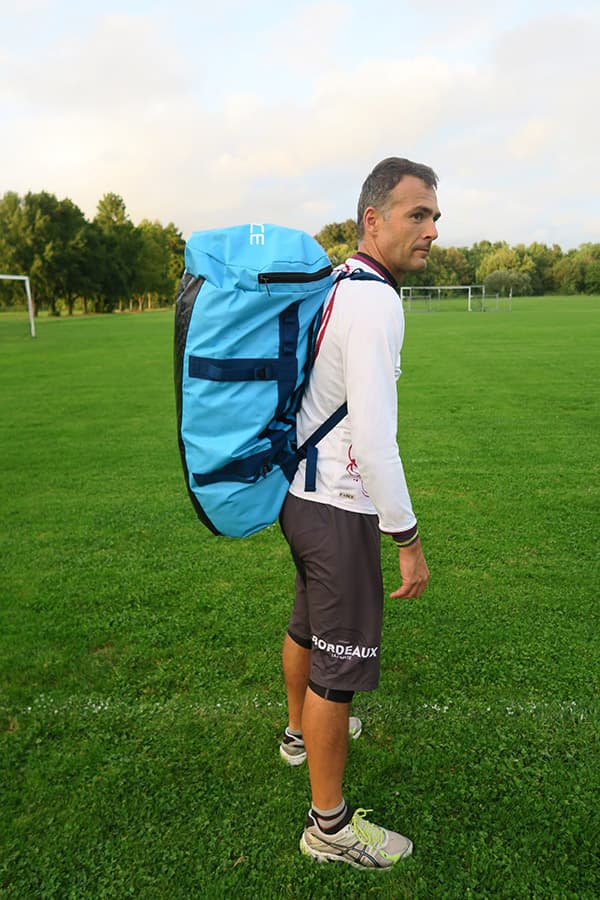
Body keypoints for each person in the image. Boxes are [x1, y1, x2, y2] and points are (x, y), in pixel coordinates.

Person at [278, 157, 440, 869]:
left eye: (435, 215)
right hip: (339, 508)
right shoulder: (375, 301)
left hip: (301, 496)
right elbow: (375, 440)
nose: (432, 229)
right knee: (338, 672)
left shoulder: (341, 281)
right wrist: (406, 536)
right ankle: (329, 827)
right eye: (418, 214)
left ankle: (295, 736)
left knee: (307, 628)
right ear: (372, 219)